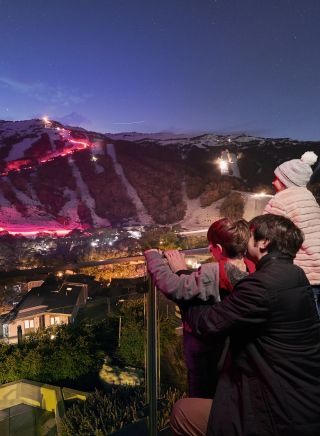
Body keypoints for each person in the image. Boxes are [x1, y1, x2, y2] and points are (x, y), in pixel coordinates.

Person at [169, 214, 320, 436]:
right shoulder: (296, 275)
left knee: (182, 412)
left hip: (277, 414)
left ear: (264, 242)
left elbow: (207, 323)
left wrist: (182, 277)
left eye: (249, 235)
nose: (243, 241)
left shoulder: (262, 285)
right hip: (303, 400)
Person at [144, 218, 255, 398]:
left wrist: (153, 258)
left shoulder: (214, 271)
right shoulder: (252, 269)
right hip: (236, 355)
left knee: (202, 396)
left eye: (211, 247)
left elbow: (173, 286)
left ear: (218, 249)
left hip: (207, 353)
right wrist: (183, 272)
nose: (210, 250)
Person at [264, 151, 320, 316]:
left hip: (305, 274)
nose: (273, 181)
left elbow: (264, 231)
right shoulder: (309, 198)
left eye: (277, 179)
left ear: (286, 181)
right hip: (318, 268)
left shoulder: (280, 200)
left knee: (310, 326)